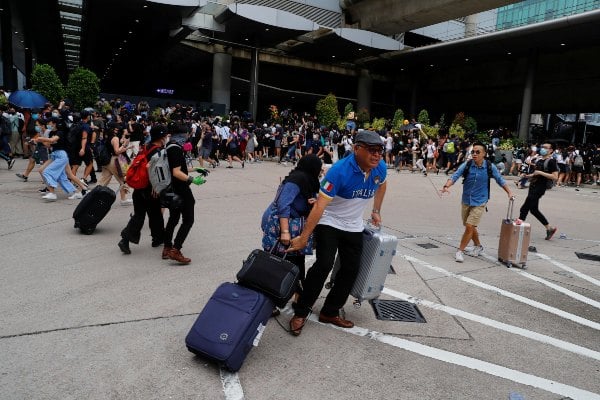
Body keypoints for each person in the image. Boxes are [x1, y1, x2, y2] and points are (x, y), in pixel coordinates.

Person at [287, 130, 388, 336]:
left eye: (380, 150)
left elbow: (382, 185)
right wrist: (304, 237)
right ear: (357, 149)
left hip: (353, 226)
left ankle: (330, 311)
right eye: (372, 150)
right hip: (330, 222)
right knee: (324, 264)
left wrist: (376, 210)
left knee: (352, 268)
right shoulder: (339, 171)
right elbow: (319, 207)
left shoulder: (380, 168)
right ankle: (301, 311)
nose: (377, 155)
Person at [261, 154, 322, 315]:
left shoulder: (306, 180)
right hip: (283, 225)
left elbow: (304, 202)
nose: (321, 171)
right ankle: (269, 302)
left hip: (294, 226)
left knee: (296, 263)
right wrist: (285, 232)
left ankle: (297, 298)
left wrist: (313, 203)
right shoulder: (297, 179)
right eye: (319, 167)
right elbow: (283, 205)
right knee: (278, 264)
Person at [441, 142, 514, 262]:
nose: (474, 154)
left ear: (484, 154)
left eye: (477, 152)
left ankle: (460, 251)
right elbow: (455, 175)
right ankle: (478, 246)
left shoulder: (490, 166)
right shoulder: (468, 164)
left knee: (469, 226)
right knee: (469, 226)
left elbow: (500, 180)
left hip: (480, 201)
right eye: (473, 152)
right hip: (466, 200)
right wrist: (446, 186)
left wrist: (509, 192)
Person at [118, 125, 168, 255]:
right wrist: (155, 186)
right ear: (162, 137)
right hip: (150, 188)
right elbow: (149, 167)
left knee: (140, 215)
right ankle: (157, 239)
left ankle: (126, 240)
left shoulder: (145, 146)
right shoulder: (158, 151)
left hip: (139, 186)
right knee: (156, 214)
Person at [162, 123, 206, 264]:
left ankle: (167, 247)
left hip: (173, 189)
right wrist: (193, 180)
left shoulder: (170, 146)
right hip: (181, 189)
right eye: (187, 134)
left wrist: (196, 169)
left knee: (174, 218)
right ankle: (175, 250)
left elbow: (178, 167)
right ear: (182, 134)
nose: (188, 137)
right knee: (188, 220)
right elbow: (176, 172)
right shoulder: (175, 149)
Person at [32, 117, 83, 201]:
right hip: (54, 155)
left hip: (61, 155)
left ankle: (52, 193)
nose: (48, 124)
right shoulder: (51, 132)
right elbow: (49, 144)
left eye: (49, 123)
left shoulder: (60, 132)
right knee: (61, 177)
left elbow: (52, 140)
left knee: (47, 172)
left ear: (54, 123)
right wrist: (39, 141)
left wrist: (41, 139)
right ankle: (76, 192)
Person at [516, 141, 558, 240]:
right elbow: (536, 174)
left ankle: (519, 224)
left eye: (546, 147)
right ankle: (549, 228)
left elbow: (555, 176)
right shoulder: (539, 160)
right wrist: (527, 175)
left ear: (551, 150)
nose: (543, 148)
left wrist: (540, 172)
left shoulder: (551, 161)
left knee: (525, 207)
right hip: (533, 186)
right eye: (542, 146)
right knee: (534, 210)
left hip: (540, 188)